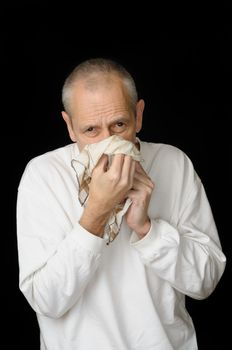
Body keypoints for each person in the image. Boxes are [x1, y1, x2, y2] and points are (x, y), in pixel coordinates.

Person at [16, 57, 226, 350]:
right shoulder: (43, 176)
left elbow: (205, 282)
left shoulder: (174, 164)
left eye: (119, 125)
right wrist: (96, 213)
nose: (108, 141)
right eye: (91, 130)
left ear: (138, 115)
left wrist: (147, 229)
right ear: (70, 126)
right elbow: (46, 300)